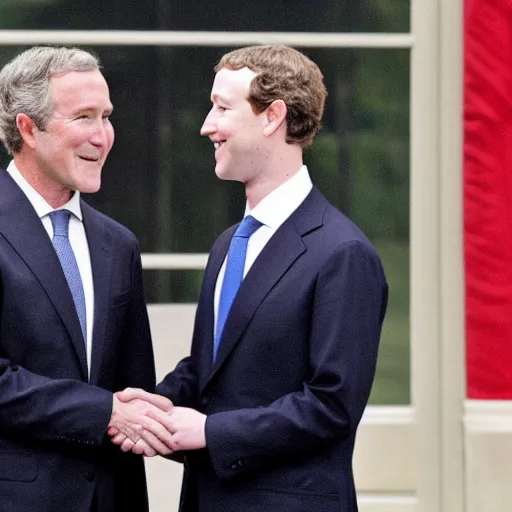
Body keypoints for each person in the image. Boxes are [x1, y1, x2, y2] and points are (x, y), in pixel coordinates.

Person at [114, 44, 388, 512]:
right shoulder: (228, 245)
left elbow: (332, 407)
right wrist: (149, 410)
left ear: (273, 116)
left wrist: (208, 431)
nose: (206, 125)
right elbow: (212, 371)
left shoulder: (344, 254)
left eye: (222, 107)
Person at [0, 46, 173, 512]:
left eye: (106, 116)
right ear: (28, 128)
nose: (102, 136)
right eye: (83, 117)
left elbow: (134, 390)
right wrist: (104, 411)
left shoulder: (118, 244)